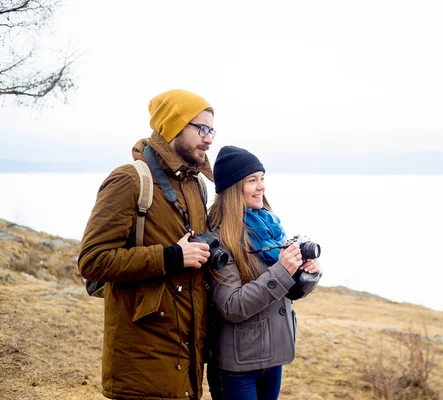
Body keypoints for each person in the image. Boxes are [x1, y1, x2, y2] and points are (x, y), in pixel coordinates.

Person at [78, 89, 217, 400]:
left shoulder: (195, 186)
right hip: (141, 359)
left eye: (212, 130)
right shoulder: (129, 180)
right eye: (201, 128)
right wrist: (170, 257)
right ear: (172, 127)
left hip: (186, 357)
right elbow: (92, 260)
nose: (209, 139)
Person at [206, 146, 322, 400]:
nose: (262, 187)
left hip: (272, 357)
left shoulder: (268, 227)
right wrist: (282, 270)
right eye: (252, 180)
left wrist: (305, 275)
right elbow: (231, 306)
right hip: (238, 364)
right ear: (233, 188)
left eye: (262, 178)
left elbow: (284, 290)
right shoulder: (220, 238)